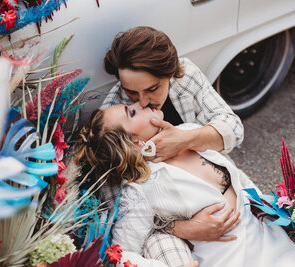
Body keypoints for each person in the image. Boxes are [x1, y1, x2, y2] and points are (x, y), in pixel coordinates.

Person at [74, 103, 295, 266]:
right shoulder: (141, 188)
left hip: (273, 241)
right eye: (132, 112)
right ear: (135, 143)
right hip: (231, 260)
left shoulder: (188, 131)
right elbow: (120, 253)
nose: (139, 104)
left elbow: (238, 177)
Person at [100, 25, 244, 253]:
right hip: (165, 218)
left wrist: (186, 138)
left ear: (170, 73)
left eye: (153, 89)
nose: (143, 102)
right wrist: (182, 229)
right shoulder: (113, 116)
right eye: (131, 93)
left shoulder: (185, 74)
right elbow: (117, 206)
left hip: (213, 181)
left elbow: (234, 129)